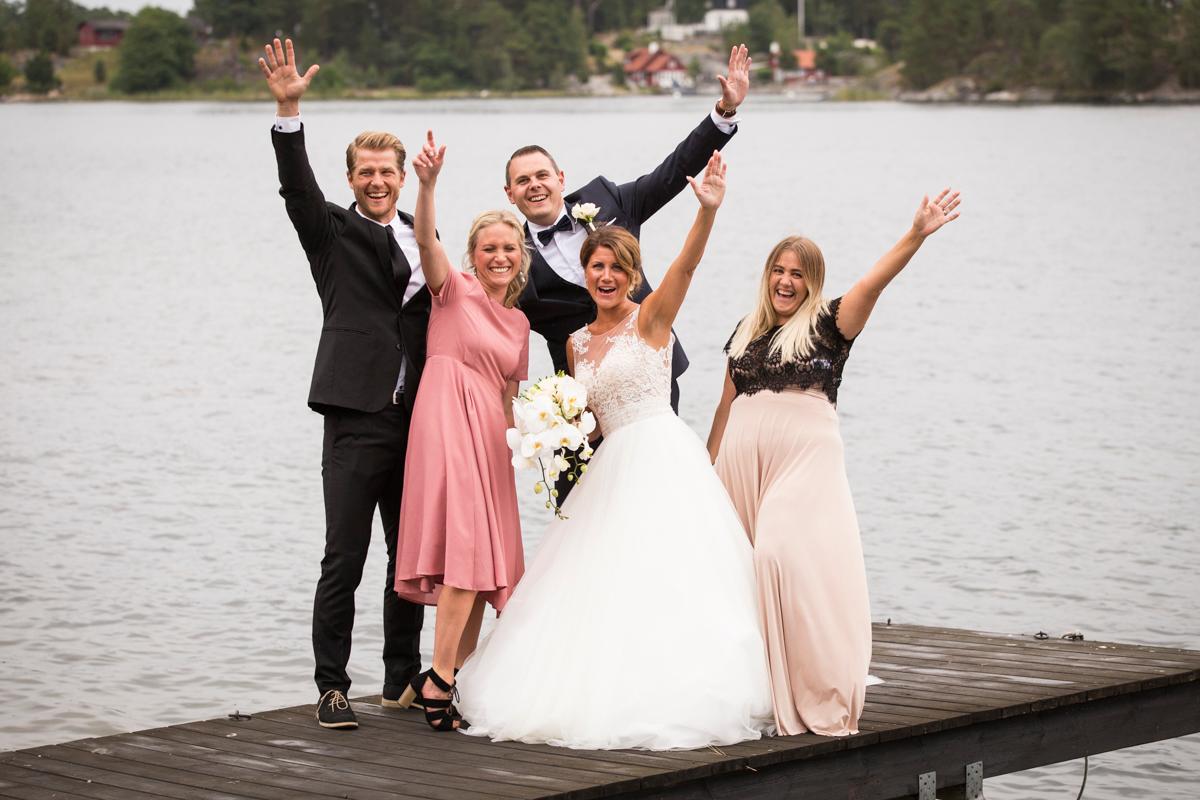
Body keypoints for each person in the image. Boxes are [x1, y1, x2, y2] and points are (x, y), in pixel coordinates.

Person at [455, 152, 774, 750]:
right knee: (602, 577)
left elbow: (686, 266)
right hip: (611, 466)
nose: (604, 277)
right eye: (595, 268)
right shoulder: (575, 344)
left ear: (630, 275)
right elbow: (590, 421)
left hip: (663, 458)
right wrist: (551, 430)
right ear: (585, 273)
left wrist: (706, 212)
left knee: (673, 571)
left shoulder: (651, 320)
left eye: (614, 269)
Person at [706, 190, 963, 737]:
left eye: (798, 273)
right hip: (740, 465)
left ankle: (816, 686)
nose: (785, 281)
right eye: (778, 270)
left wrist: (915, 234)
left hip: (802, 461)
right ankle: (763, 688)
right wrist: (706, 472)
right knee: (741, 572)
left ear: (813, 281)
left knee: (781, 556)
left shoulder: (831, 323)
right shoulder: (745, 330)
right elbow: (725, 405)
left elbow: (874, 281)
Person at [259, 38, 429, 730]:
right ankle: (332, 686)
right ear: (352, 178)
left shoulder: (427, 236)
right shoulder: (329, 233)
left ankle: (400, 680)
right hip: (355, 418)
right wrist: (289, 109)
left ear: (400, 175)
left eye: (387, 171)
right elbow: (296, 185)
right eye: (366, 172)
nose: (378, 181)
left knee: (409, 560)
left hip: (417, 420)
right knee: (345, 557)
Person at [511, 45, 752, 417]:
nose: (535, 186)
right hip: (580, 393)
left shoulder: (608, 199)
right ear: (510, 194)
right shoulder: (510, 256)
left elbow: (672, 172)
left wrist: (724, 112)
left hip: (649, 371)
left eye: (542, 175)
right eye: (522, 181)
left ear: (560, 179)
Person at [391, 132, 531, 732]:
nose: (500, 256)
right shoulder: (453, 291)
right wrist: (426, 186)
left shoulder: (521, 323)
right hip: (446, 418)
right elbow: (425, 238)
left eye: (509, 248)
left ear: (520, 257)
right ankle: (439, 680)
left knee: (482, 564)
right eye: (489, 248)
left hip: (490, 441)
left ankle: (453, 679)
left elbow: (510, 396)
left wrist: (523, 447)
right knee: (466, 555)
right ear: (473, 254)